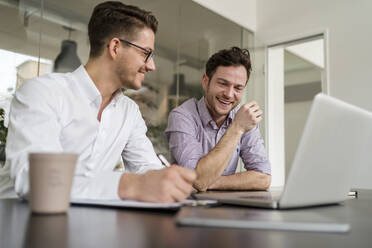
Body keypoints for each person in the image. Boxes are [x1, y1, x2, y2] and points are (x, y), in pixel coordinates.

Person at [0, 1, 196, 202]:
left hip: (82, 222)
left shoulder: (129, 111)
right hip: (19, 219)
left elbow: (146, 168)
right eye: (146, 53)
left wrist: (168, 182)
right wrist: (129, 185)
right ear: (115, 47)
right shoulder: (42, 92)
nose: (152, 66)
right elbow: (35, 180)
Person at [165, 47, 271, 192]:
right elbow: (199, 181)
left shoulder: (242, 118)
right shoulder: (182, 116)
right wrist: (237, 128)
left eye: (238, 88)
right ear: (205, 81)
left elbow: (263, 177)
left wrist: (209, 181)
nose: (229, 94)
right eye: (223, 83)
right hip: (187, 208)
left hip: (225, 208)